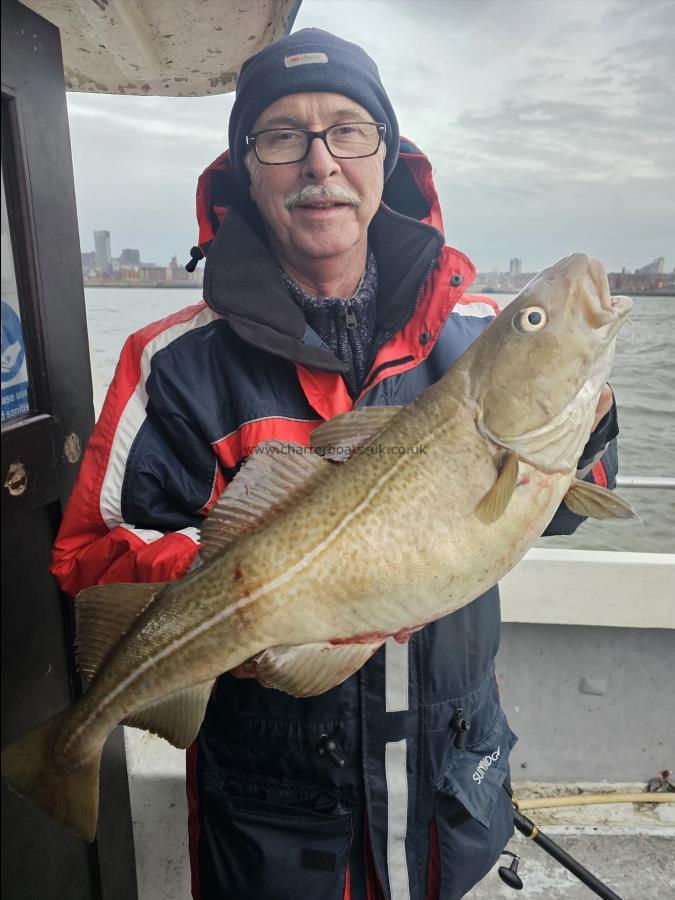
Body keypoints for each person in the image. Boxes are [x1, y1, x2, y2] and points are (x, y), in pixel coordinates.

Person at [51, 28, 619, 900]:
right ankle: (64, 754)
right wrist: (245, 594)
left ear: (385, 156)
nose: (320, 161)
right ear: (246, 167)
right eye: (282, 136)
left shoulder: (472, 332)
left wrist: (586, 430)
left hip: (447, 787)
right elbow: (92, 551)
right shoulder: (171, 363)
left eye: (348, 130)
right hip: (273, 813)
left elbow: (572, 504)